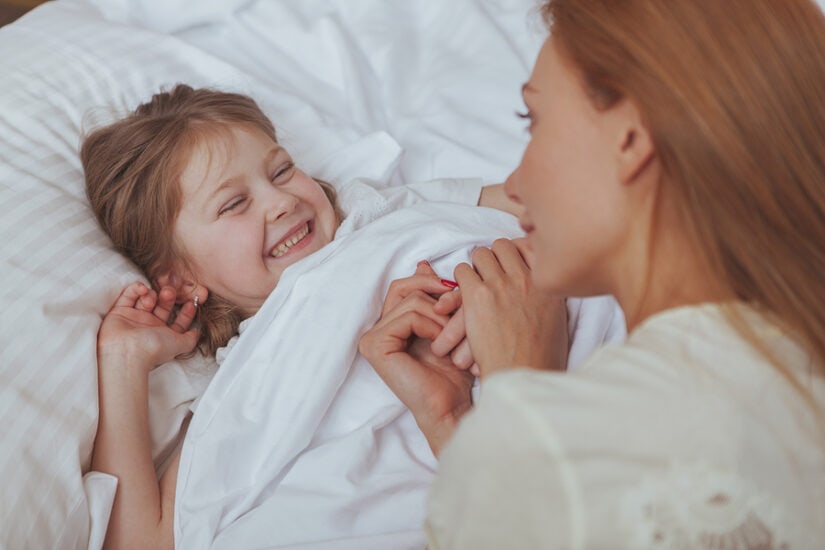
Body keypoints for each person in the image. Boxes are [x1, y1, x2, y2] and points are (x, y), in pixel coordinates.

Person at [359, 0, 825, 546]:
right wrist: (460, 424)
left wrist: (519, 400)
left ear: (629, 138)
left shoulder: (566, 443)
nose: (513, 183)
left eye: (533, 122)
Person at [81, 84, 532, 549]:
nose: (282, 201)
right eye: (234, 204)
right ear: (179, 274)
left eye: (282, 170)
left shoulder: (380, 212)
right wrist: (122, 361)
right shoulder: (246, 381)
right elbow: (143, 542)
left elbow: (542, 205)